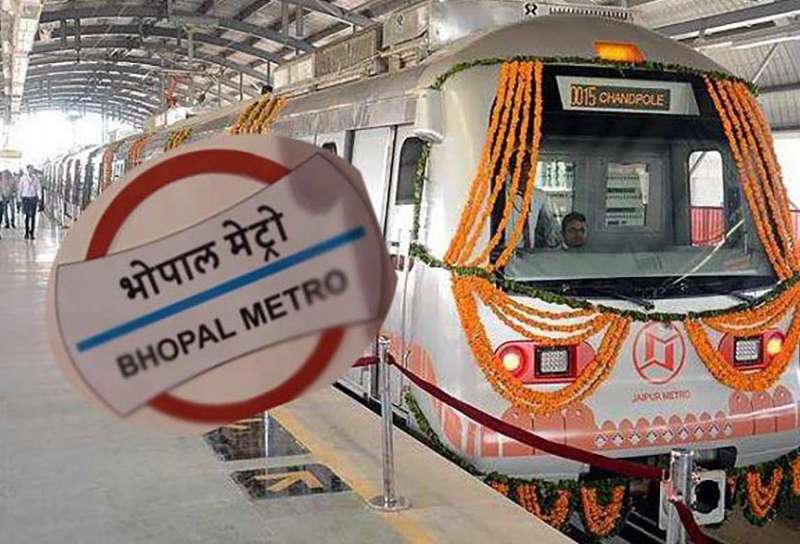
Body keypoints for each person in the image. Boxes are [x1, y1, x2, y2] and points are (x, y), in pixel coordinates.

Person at [19, 164, 42, 240]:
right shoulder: (23, 178)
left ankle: (32, 233)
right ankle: (26, 232)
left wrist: (39, 198)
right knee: (27, 216)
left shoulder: (36, 179)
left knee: (33, 216)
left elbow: (38, 188)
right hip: (25, 198)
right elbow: (20, 188)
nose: (31, 170)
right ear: (27, 169)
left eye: (32, 169)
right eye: (30, 169)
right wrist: (19, 198)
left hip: (33, 198)